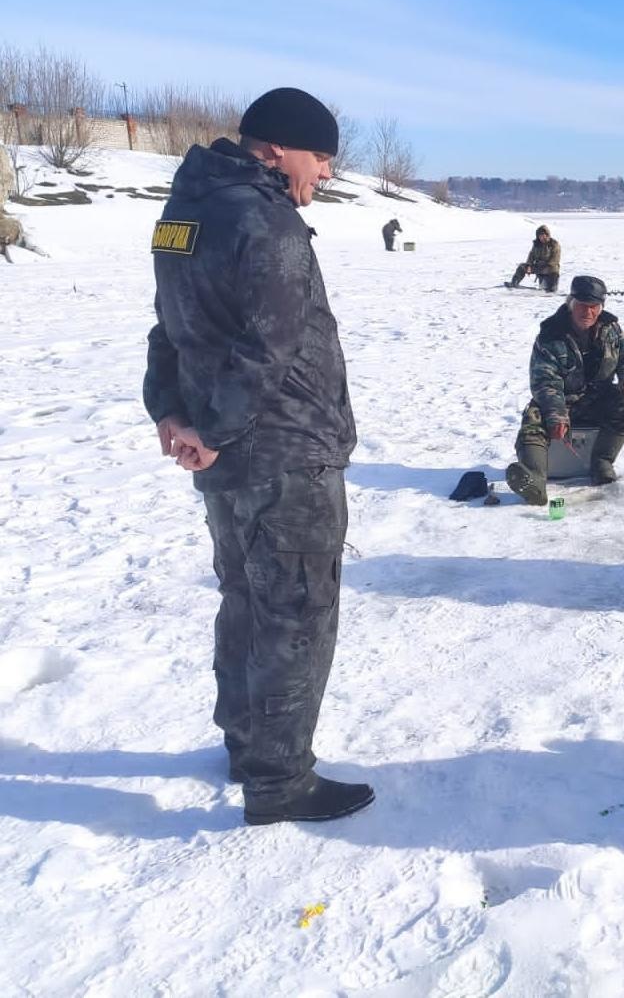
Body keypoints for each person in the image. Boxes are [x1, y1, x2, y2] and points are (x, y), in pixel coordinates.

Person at [143, 87, 373, 826]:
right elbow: (268, 348)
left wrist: (172, 411)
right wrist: (205, 426)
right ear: (275, 148)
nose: (328, 173)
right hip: (280, 450)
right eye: (322, 157)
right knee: (296, 610)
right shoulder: (262, 220)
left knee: (246, 598)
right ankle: (279, 780)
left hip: (225, 457)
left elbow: (170, 324)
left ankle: (247, 742)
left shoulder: (186, 210)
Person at [506, 275, 624, 503]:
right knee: (534, 418)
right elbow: (545, 382)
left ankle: (602, 463)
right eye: (582, 306)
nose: (587, 312)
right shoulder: (550, 336)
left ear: (600, 308)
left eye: (593, 307)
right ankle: (534, 480)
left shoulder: (611, 329)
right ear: (571, 303)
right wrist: (556, 415)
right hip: (560, 401)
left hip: (598, 398)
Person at [506, 224, 562, 291]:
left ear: (547, 235)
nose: (541, 237)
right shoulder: (536, 244)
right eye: (540, 236)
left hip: (551, 270)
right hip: (539, 267)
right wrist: (529, 265)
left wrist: (544, 265)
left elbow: (555, 260)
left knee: (549, 291)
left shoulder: (554, 244)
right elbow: (531, 255)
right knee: (522, 267)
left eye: (543, 235)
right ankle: (514, 283)